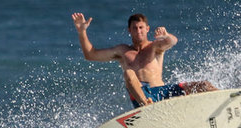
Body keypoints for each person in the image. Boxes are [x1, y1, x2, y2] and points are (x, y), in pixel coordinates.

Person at [72, 12, 216, 107]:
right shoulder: (123, 51)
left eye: (141, 27)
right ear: (129, 30)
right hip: (142, 97)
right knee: (128, 73)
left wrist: (166, 36)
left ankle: (228, 102)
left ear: (147, 29)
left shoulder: (155, 46)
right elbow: (91, 55)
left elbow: (172, 42)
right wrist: (81, 31)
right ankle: (147, 107)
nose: (138, 31)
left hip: (162, 92)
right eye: (135, 28)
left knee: (204, 85)